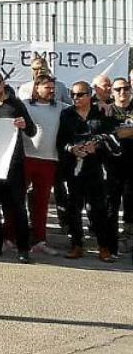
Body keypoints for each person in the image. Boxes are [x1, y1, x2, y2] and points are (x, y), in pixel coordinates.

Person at [0, 71, 36, 263]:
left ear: (3, 83)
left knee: (18, 209)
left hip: (14, 166)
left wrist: (24, 124)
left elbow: (32, 131)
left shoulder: (16, 105)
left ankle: (23, 249)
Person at [57, 81, 117, 262]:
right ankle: (76, 245)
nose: (75, 98)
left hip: (95, 168)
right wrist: (71, 149)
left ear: (89, 95)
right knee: (74, 208)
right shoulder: (66, 114)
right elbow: (60, 141)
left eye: (79, 94)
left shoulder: (102, 112)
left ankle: (103, 247)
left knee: (99, 209)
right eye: (72, 94)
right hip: (73, 169)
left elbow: (111, 137)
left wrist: (97, 146)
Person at [21, 75, 65, 256]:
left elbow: (82, 109)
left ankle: (40, 240)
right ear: (36, 88)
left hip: (49, 161)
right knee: (16, 200)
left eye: (53, 88)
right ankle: (10, 237)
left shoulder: (61, 108)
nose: (52, 90)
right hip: (26, 158)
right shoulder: (24, 105)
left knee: (41, 203)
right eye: (47, 87)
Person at [106, 77, 133, 257]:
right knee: (111, 206)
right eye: (118, 89)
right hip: (112, 167)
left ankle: (129, 239)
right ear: (111, 92)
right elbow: (109, 133)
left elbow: (117, 132)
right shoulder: (105, 111)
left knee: (131, 206)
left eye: (126, 88)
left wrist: (119, 132)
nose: (122, 92)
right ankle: (111, 245)